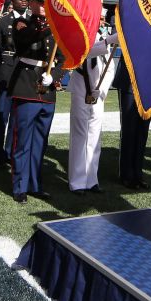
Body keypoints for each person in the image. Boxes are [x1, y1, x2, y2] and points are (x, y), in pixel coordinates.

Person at [6, 0, 65, 203]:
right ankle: (20, 185)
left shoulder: (55, 27)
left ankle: (35, 183)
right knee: (22, 141)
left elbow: (63, 57)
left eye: (45, 2)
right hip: (26, 85)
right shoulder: (21, 23)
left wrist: (56, 75)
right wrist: (46, 24)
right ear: (30, 3)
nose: (42, 6)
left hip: (47, 88)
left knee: (40, 140)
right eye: (38, 2)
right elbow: (25, 41)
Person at [66, 23, 117, 194]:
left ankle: (91, 179)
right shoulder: (78, 33)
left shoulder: (103, 37)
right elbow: (82, 53)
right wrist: (108, 41)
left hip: (97, 93)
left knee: (95, 136)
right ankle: (77, 181)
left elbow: (110, 67)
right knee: (80, 135)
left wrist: (101, 90)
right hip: (81, 89)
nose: (101, 21)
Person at [0, 0, 29, 168]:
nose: (24, 1)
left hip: (24, 74)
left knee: (17, 117)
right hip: (6, 71)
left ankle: (11, 152)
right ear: (12, 1)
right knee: (2, 116)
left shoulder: (33, 20)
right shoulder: (3, 22)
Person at [112, 48, 151, 190]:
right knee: (129, 130)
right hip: (129, 79)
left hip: (148, 83)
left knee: (142, 131)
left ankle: (138, 173)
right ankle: (127, 174)